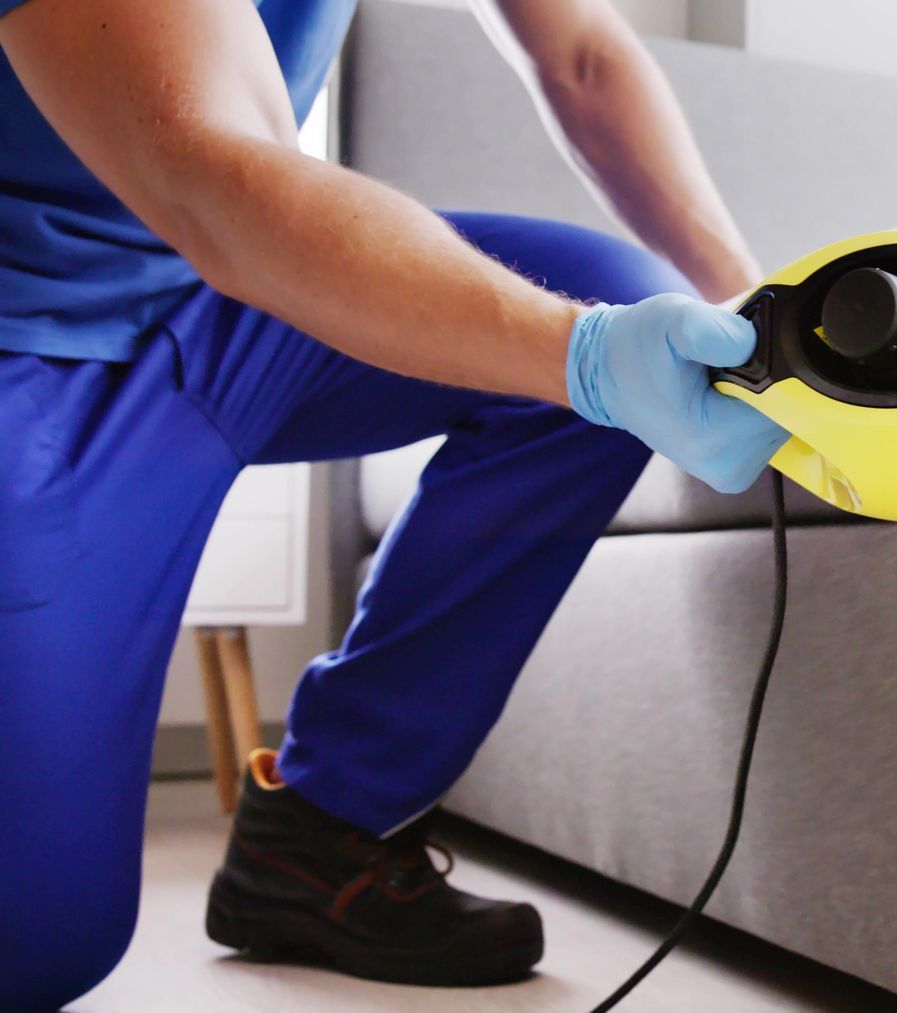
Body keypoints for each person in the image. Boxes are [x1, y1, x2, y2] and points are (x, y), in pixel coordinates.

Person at [0, 0, 789, 1006]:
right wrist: (579, 354)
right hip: (35, 332)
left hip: (218, 309)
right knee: (36, 945)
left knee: (612, 291)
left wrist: (761, 334)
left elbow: (584, 56)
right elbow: (218, 179)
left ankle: (320, 830)